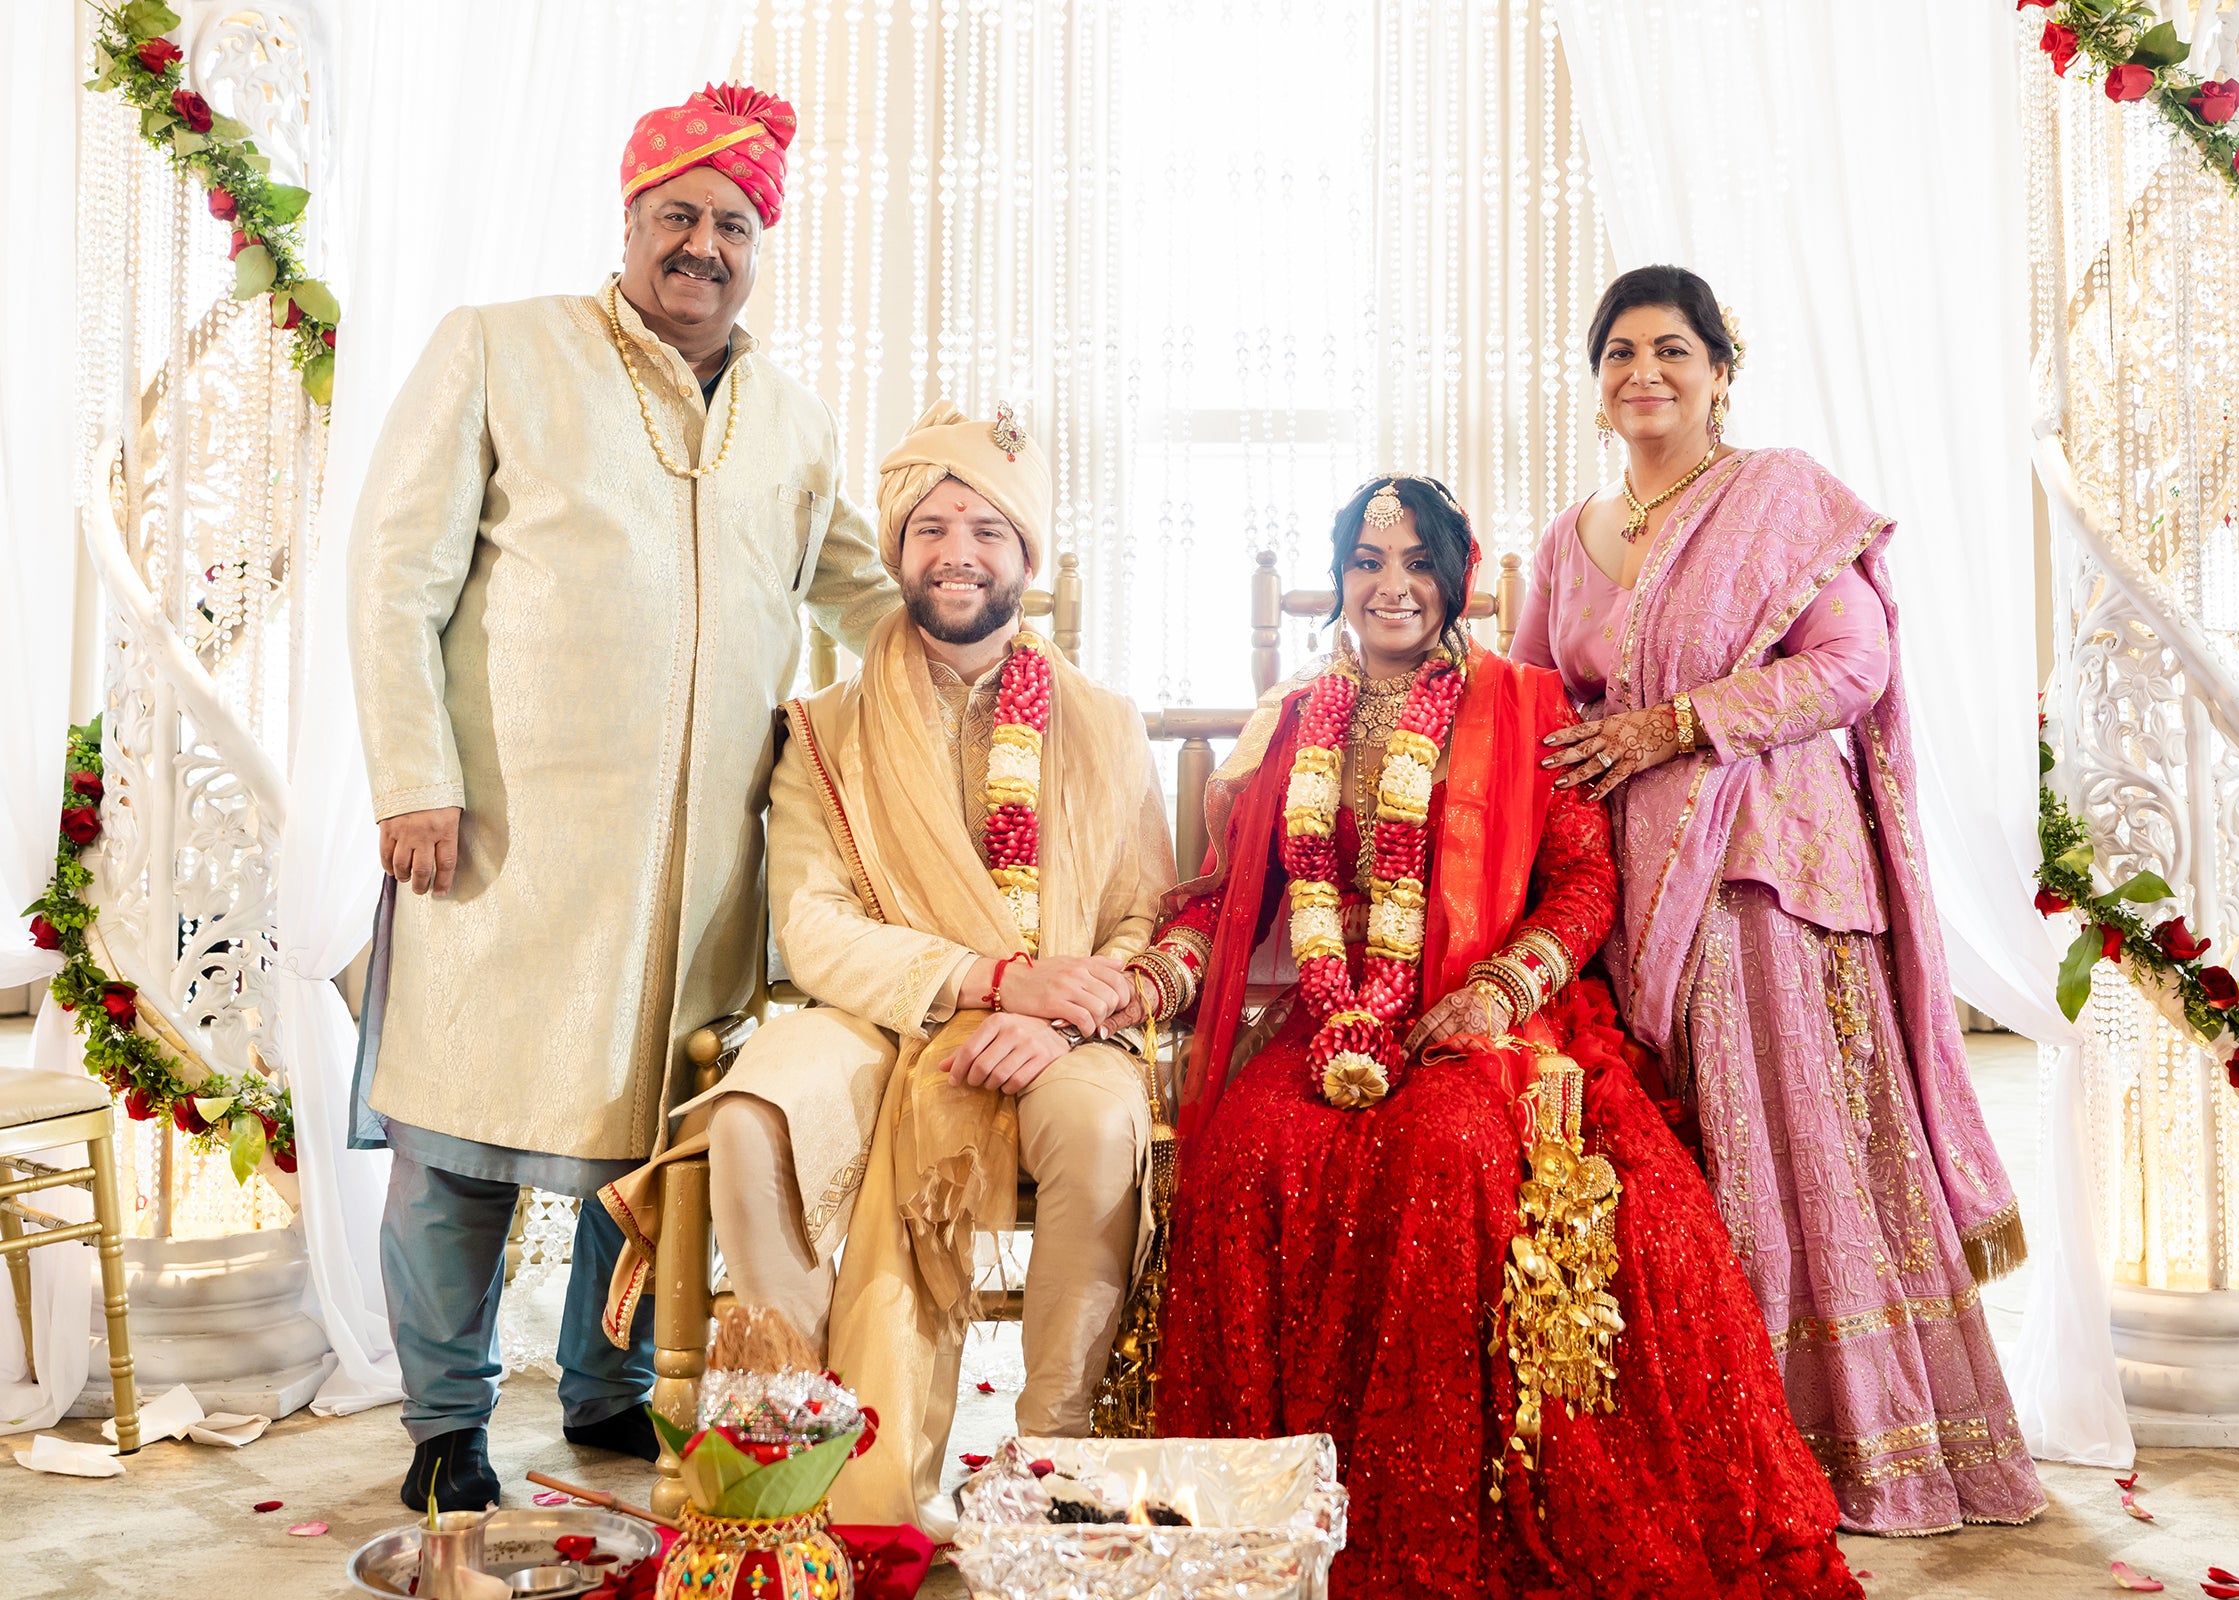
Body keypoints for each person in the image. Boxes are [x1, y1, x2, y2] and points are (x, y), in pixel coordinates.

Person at [1133, 476, 1862, 1599]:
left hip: (1490, 1011)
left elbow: (1583, 881)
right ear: (1343, 579)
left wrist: (1500, 991)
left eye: (1418, 563)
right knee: (1246, 1155)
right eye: (1369, 562)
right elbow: (1236, 891)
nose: (1392, 586)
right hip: (1334, 1012)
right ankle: (1265, 1505)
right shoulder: (1292, 717)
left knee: (1450, 1158)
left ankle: (1428, 1519)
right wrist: (1153, 974)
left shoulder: (1527, 703)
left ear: (1456, 580)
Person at [347, 83, 898, 1512]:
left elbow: (861, 595)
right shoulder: (501, 350)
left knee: (645, 1146)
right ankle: (444, 1425)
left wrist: (995, 638)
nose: (703, 246)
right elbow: (392, 574)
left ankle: (604, 1390)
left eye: (731, 225)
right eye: (678, 216)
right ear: (630, 220)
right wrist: (415, 777)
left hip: (706, 858)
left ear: (759, 252)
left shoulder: (791, 417)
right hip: (504, 845)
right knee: (455, 1147)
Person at [1512, 264, 2046, 1536]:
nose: (1645, 371)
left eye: (1672, 349)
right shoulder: (1564, 538)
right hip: (1630, 885)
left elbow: (1852, 664)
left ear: (1720, 369)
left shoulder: (1782, 496)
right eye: (1620, 352)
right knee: (1684, 1154)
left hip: (1770, 866)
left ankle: (1845, 1442)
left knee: (1785, 1139)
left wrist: (1677, 725)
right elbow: (1531, 698)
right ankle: (1709, 1435)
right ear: (1596, 384)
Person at [599, 400, 1176, 1536]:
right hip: (878, 1012)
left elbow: (1144, 918)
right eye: (931, 527)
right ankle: (800, 1440)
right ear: (898, 550)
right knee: (757, 1109)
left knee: (1103, 1126)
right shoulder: (824, 727)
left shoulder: (1103, 724)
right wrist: (986, 979)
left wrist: (1062, 1014)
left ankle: (1047, 1461)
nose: (958, 553)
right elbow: (811, 928)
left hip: (1060, 1020)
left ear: (1027, 558)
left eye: (988, 531)